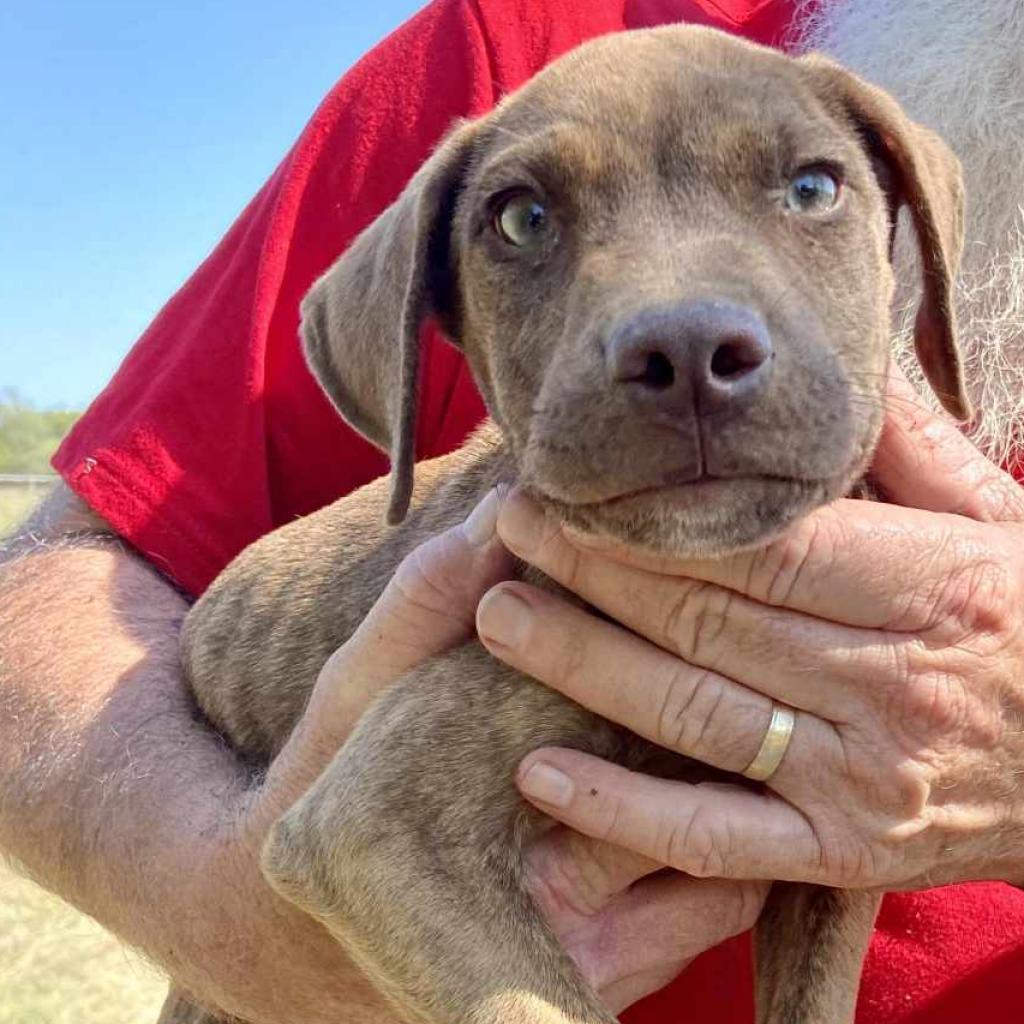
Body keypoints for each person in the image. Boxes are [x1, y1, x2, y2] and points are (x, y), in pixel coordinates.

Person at [2, 1, 1023, 1022]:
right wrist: (220, 912)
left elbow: (838, 842)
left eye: (809, 190)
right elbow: (360, 830)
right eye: (526, 222)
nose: (683, 328)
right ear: (433, 313)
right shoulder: (505, 42)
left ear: (906, 231)